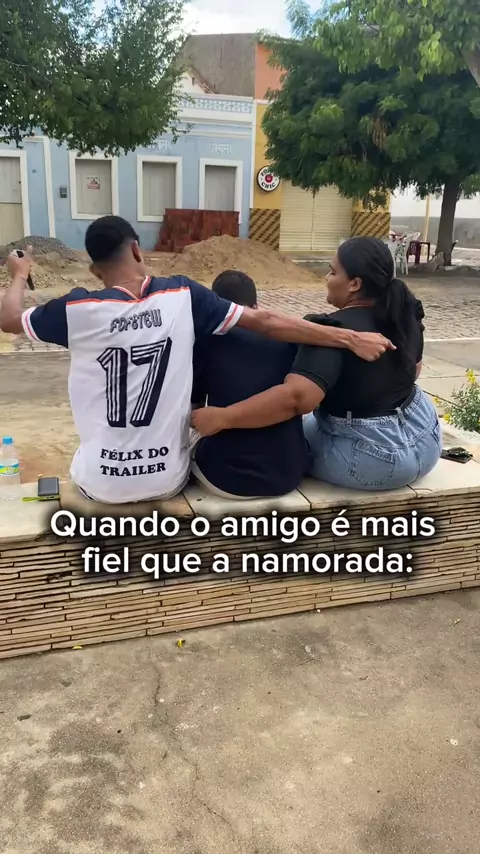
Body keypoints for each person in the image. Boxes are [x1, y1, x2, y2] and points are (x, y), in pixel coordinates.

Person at [0, 220, 394, 504]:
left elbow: (9, 319)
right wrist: (349, 337)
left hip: (101, 486)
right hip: (166, 482)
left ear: (94, 269)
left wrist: (19, 274)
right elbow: (267, 322)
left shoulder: (76, 309)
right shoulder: (183, 296)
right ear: (136, 249)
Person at [192, 237, 441, 492]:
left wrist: (223, 417)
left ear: (354, 284)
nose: (326, 278)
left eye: (332, 272)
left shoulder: (329, 331)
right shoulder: (405, 312)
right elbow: (414, 371)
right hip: (426, 439)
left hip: (375, 461)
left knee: (286, 435)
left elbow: (296, 400)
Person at [191, 270, 308, 498]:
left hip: (228, 480)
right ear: (256, 306)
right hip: (288, 475)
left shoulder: (205, 341)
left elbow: (193, 410)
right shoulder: (289, 341)